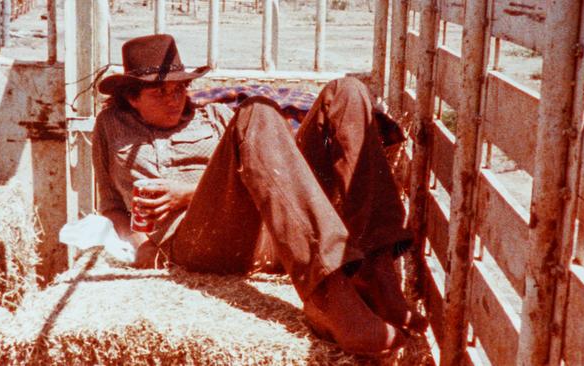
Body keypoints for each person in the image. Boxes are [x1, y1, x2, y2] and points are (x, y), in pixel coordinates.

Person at [93, 34, 426, 356]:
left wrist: (186, 193)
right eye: (159, 93)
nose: (174, 99)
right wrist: (134, 245)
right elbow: (110, 204)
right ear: (131, 97)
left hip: (275, 231)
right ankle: (327, 295)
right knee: (257, 112)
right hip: (196, 242)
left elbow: (268, 175)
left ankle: (377, 270)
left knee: (347, 91)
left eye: (179, 88)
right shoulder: (110, 126)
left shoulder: (214, 116)